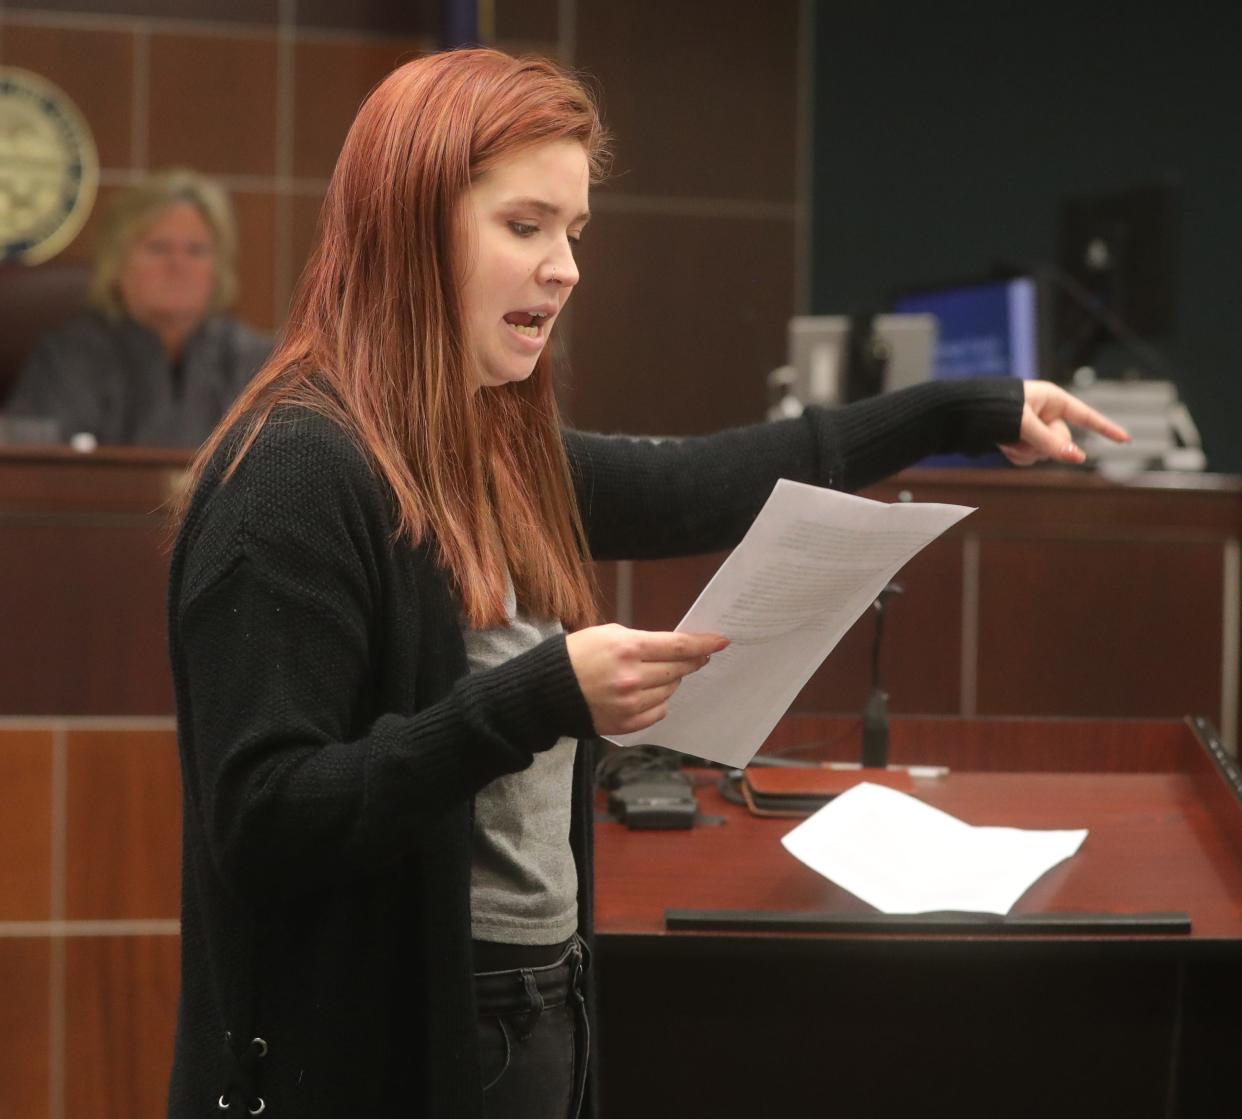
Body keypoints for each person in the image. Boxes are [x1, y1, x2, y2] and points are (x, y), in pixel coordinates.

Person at [165, 49, 1128, 1119]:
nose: (567, 267)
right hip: (395, 1041)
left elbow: (703, 484)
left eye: (573, 232)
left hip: (540, 996)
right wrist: (540, 696)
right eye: (525, 226)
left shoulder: (489, 447)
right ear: (406, 228)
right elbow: (262, 822)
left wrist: (962, 413)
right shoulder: (292, 473)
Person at [4, 169, 270, 448]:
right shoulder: (67, 357)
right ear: (117, 263)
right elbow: (30, 469)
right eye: (158, 248)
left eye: (196, 250)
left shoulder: (256, 363)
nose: (178, 265)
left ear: (218, 269)